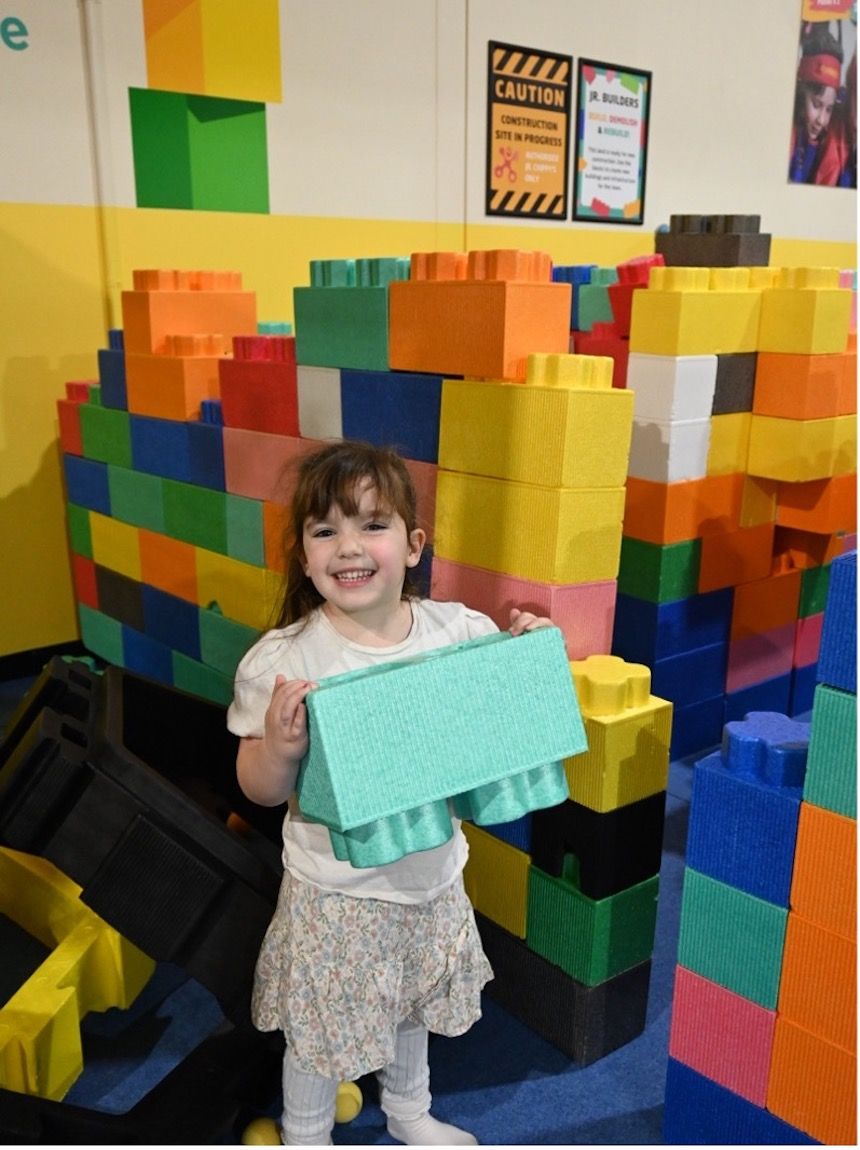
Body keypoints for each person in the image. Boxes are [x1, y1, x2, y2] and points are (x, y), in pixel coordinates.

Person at [228, 439, 552, 1146]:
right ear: (306, 557)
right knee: (321, 1037)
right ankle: (307, 1134)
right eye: (325, 531)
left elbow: (498, 716)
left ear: (412, 545)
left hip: (431, 880)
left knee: (410, 1010)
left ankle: (409, 1114)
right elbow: (255, 786)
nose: (349, 546)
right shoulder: (287, 660)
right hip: (335, 895)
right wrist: (280, 749)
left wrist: (527, 649)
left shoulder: (453, 632)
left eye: (371, 524)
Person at [789, 23, 849, 185]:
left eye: (829, 110)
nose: (821, 121)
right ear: (801, 92)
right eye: (816, 104)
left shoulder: (829, 151)